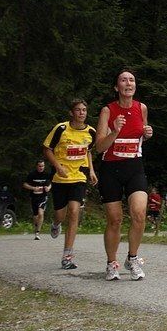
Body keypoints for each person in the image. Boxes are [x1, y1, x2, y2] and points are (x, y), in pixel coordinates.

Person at [95, 68, 154, 281]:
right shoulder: (107, 111)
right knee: (115, 220)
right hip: (111, 169)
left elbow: (141, 135)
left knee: (139, 213)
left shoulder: (142, 108)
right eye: (123, 80)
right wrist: (115, 131)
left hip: (134, 167)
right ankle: (112, 263)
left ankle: (133, 258)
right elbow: (99, 147)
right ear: (116, 87)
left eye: (131, 80)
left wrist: (147, 134)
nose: (128, 83)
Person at [43, 99, 98, 270]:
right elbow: (47, 149)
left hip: (79, 177)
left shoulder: (91, 132)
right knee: (60, 215)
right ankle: (56, 224)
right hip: (60, 178)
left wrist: (91, 170)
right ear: (71, 113)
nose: (81, 113)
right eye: (78, 110)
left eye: (84, 110)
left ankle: (67, 256)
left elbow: (88, 151)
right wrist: (58, 166)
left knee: (74, 212)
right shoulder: (61, 129)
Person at [22, 159, 52, 240]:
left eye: (43, 166)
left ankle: (38, 232)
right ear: (36, 166)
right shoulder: (32, 174)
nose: (41, 167)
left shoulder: (47, 174)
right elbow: (25, 184)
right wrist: (33, 188)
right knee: (35, 216)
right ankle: (36, 228)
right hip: (34, 197)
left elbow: (50, 184)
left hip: (43, 197)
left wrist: (48, 188)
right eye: (39, 166)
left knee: (40, 213)